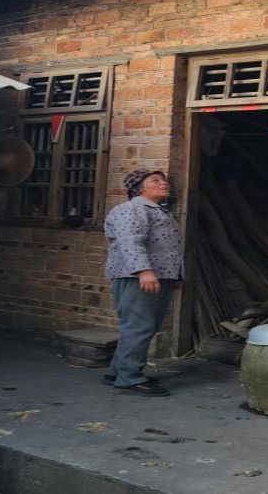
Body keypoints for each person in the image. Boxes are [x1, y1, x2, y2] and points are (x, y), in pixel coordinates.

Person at [103, 169, 183, 396]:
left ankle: (116, 371)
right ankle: (129, 378)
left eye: (164, 180)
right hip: (138, 276)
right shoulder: (131, 209)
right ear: (138, 189)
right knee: (139, 326)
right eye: (155, 181)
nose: (164, 183)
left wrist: (175, 274)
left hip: (159, 275)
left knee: (142, 326)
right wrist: (144, 271)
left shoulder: (158, 210)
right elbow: (130, 241)